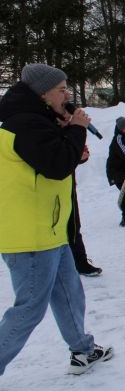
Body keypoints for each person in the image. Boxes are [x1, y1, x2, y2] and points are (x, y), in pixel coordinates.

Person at [0, 63, 113, 375]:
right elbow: (56, 165)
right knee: (29, 308)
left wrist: (70, 141)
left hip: (48, 229)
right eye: (62, 89)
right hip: (30, 233)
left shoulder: (32, 120)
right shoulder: (24, 123)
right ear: (43, 94)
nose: (68, 95)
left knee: (67, 292)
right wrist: (75, 130)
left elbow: (48, 162)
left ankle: (83, 351)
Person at [69, 144, 102, 277]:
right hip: (41, 191)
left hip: (66, 188)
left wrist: (79, 156)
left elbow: (63, 157)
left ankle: (80, 263)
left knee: (73, 226)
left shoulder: (63, 129)